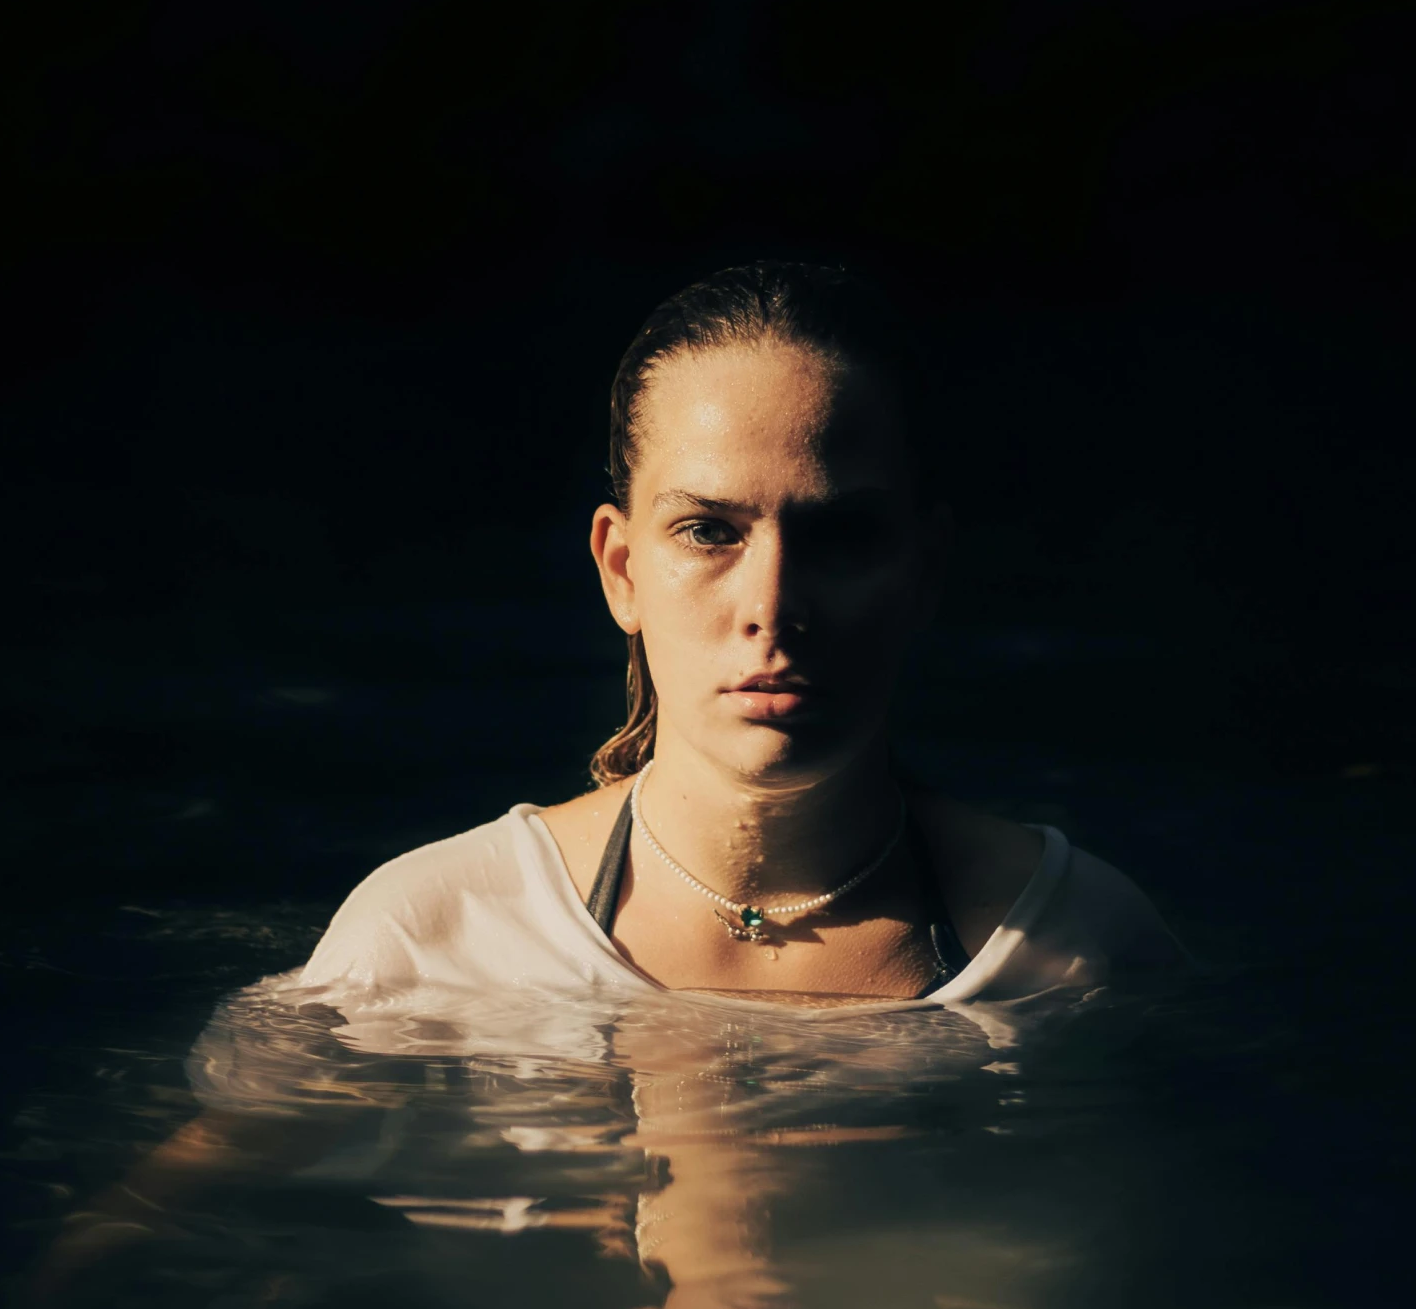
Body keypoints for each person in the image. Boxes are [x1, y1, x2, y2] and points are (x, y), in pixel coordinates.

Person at [299, 263, 1181, 1010]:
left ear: (924, 572)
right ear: (621, 570)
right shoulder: (434, 938)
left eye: (839, 537)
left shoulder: (1071, 949)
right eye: (708, 531)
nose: (773, 603)